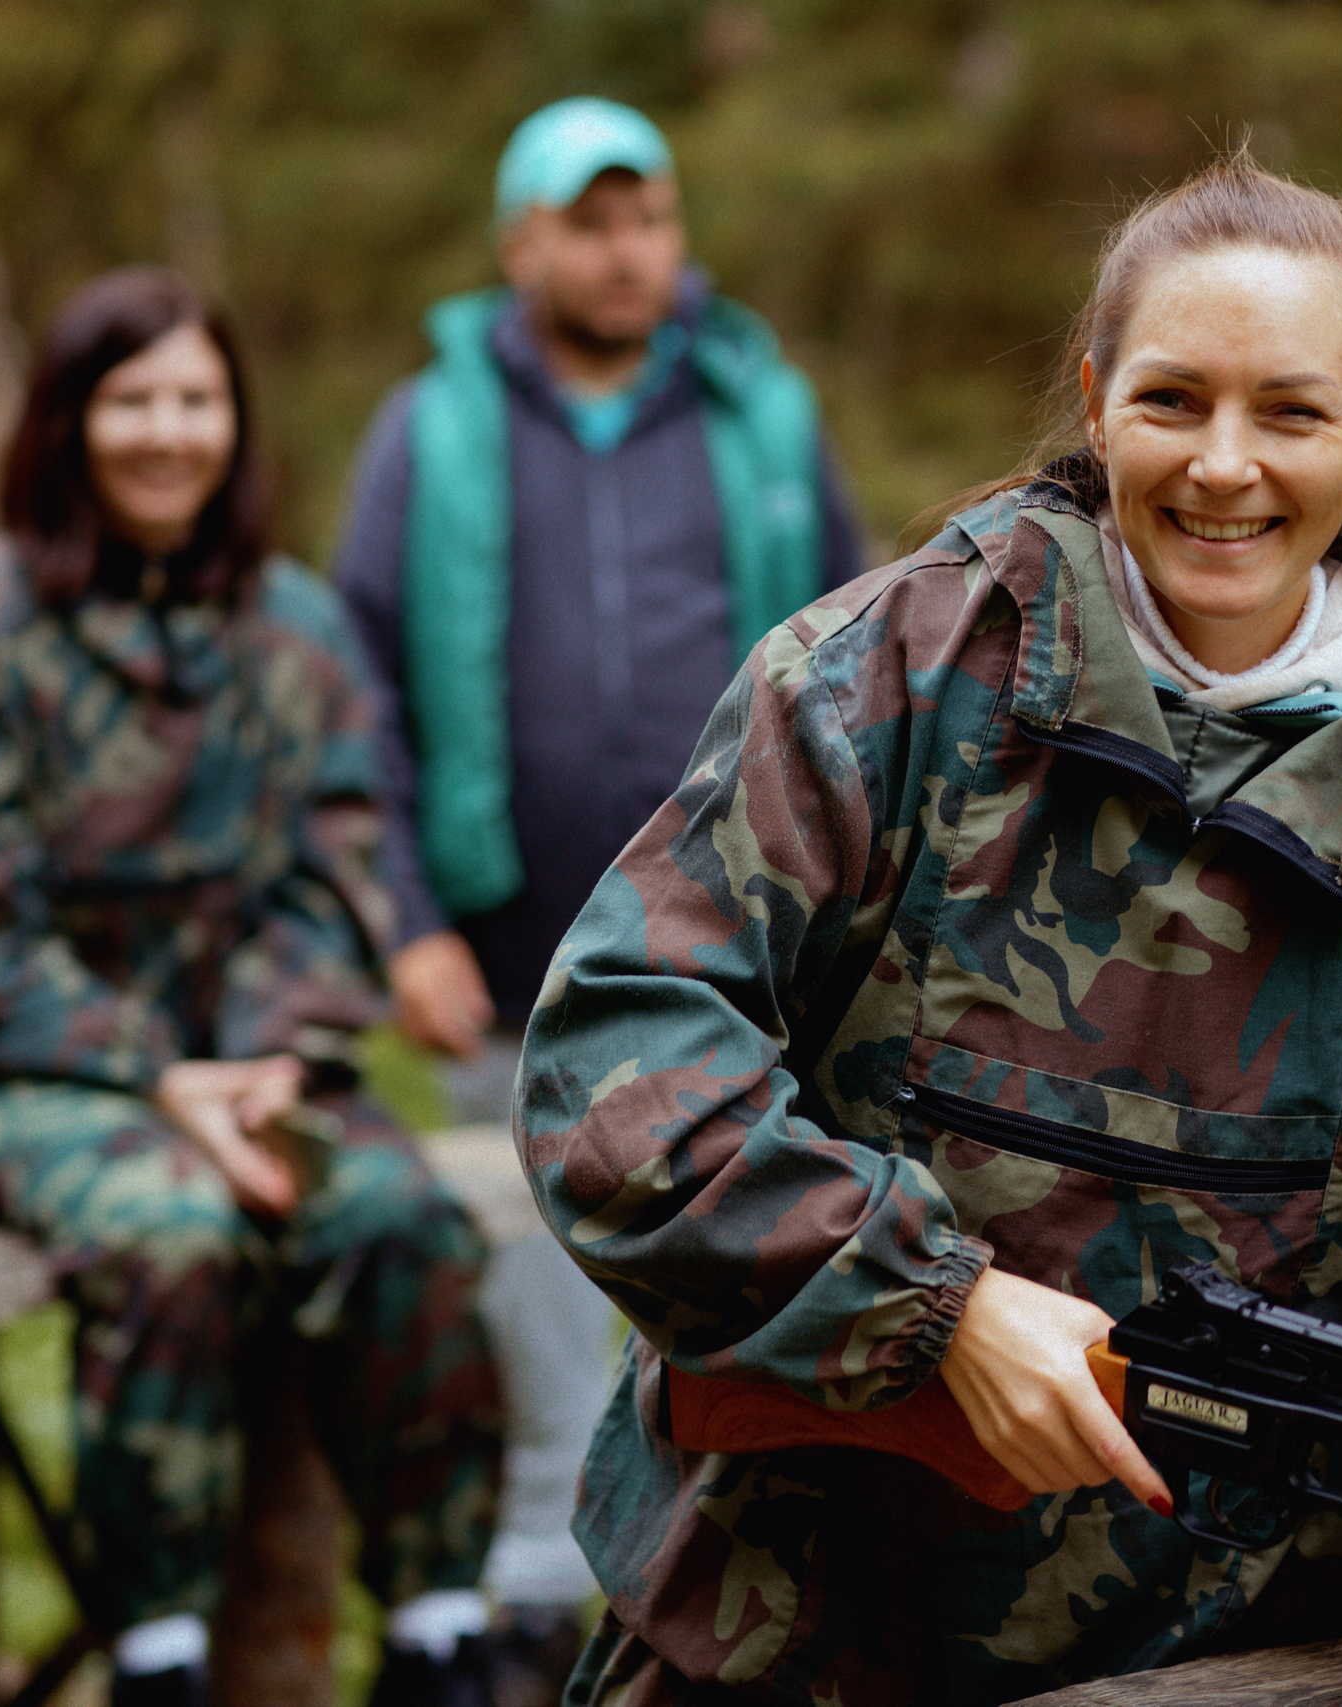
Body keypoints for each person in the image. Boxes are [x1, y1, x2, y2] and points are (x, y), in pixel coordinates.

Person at [516, 153, 1342, 1706]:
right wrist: (938, 1308)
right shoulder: (888, 674)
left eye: (1293, 410)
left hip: (1242, 1666)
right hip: (784, 1645)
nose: (1223, 466)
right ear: (1093, 394)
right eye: (1172, 399)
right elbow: (611, 1059)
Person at [0, 268, 504, 1707]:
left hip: (253, 1064)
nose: (166, 431)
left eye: (195, 398)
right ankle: (159, 1650)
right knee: (170, 1223)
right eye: (131, 398)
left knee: (401, 1212)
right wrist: (160, 1075)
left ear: (233, 423)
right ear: (69, 422)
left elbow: (333, 880)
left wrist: (258, 1058)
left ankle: (444, 1625)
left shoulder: (295, 625)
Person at [331, 98, 862, 1680]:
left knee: (708, 1277)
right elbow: (359, 689)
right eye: (591, 221)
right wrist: (406, 914)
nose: (626, 251)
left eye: (649, 217)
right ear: (523, 244)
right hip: (502, 954)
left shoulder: (760, 411)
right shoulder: (428, 428)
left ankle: (697, 1611)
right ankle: (517, 1604)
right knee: (530, 1297)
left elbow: (852, 653)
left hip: (742, 960)